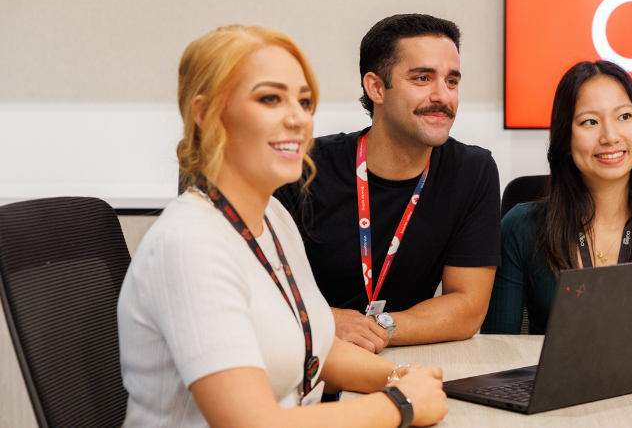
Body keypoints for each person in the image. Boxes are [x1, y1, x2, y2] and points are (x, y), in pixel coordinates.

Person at [117, 25, 447, 428]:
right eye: (270, 98)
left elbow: (316, 346)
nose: (298, 119)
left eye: (305, 101)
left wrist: (399, 376)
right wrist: (400, 405)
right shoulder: (191, 243)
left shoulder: (273, 218)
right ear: (206, 113)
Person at [276, 14, 501, 353]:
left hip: (400, 360)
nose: (443, 95)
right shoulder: (303, 167)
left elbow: (467, 307)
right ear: (376, 88)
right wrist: (326, 321)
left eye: (452, 81)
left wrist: (379, 328)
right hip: (303, 358)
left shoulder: (473, 170)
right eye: (423, 78)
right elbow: (254, 290)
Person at [481, 60, 632, 337]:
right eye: (590, 121)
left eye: (624, 116)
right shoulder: (521, 229)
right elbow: (499, 352)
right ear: (565, 140)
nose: (610, 136)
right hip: (544, 380)